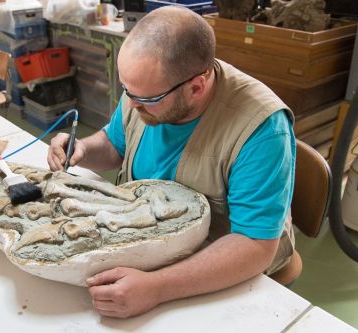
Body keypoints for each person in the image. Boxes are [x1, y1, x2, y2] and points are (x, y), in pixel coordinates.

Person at [47, 6, 296, 318]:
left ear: (196, 87)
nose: (132, 104)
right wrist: (82, 148)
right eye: (127, 90)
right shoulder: (145, 90)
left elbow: (255, 245)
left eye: (146, 99)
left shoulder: (262, 130)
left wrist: (157, 287)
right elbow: (114, 144)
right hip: (146, 247)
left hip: (213, 272)